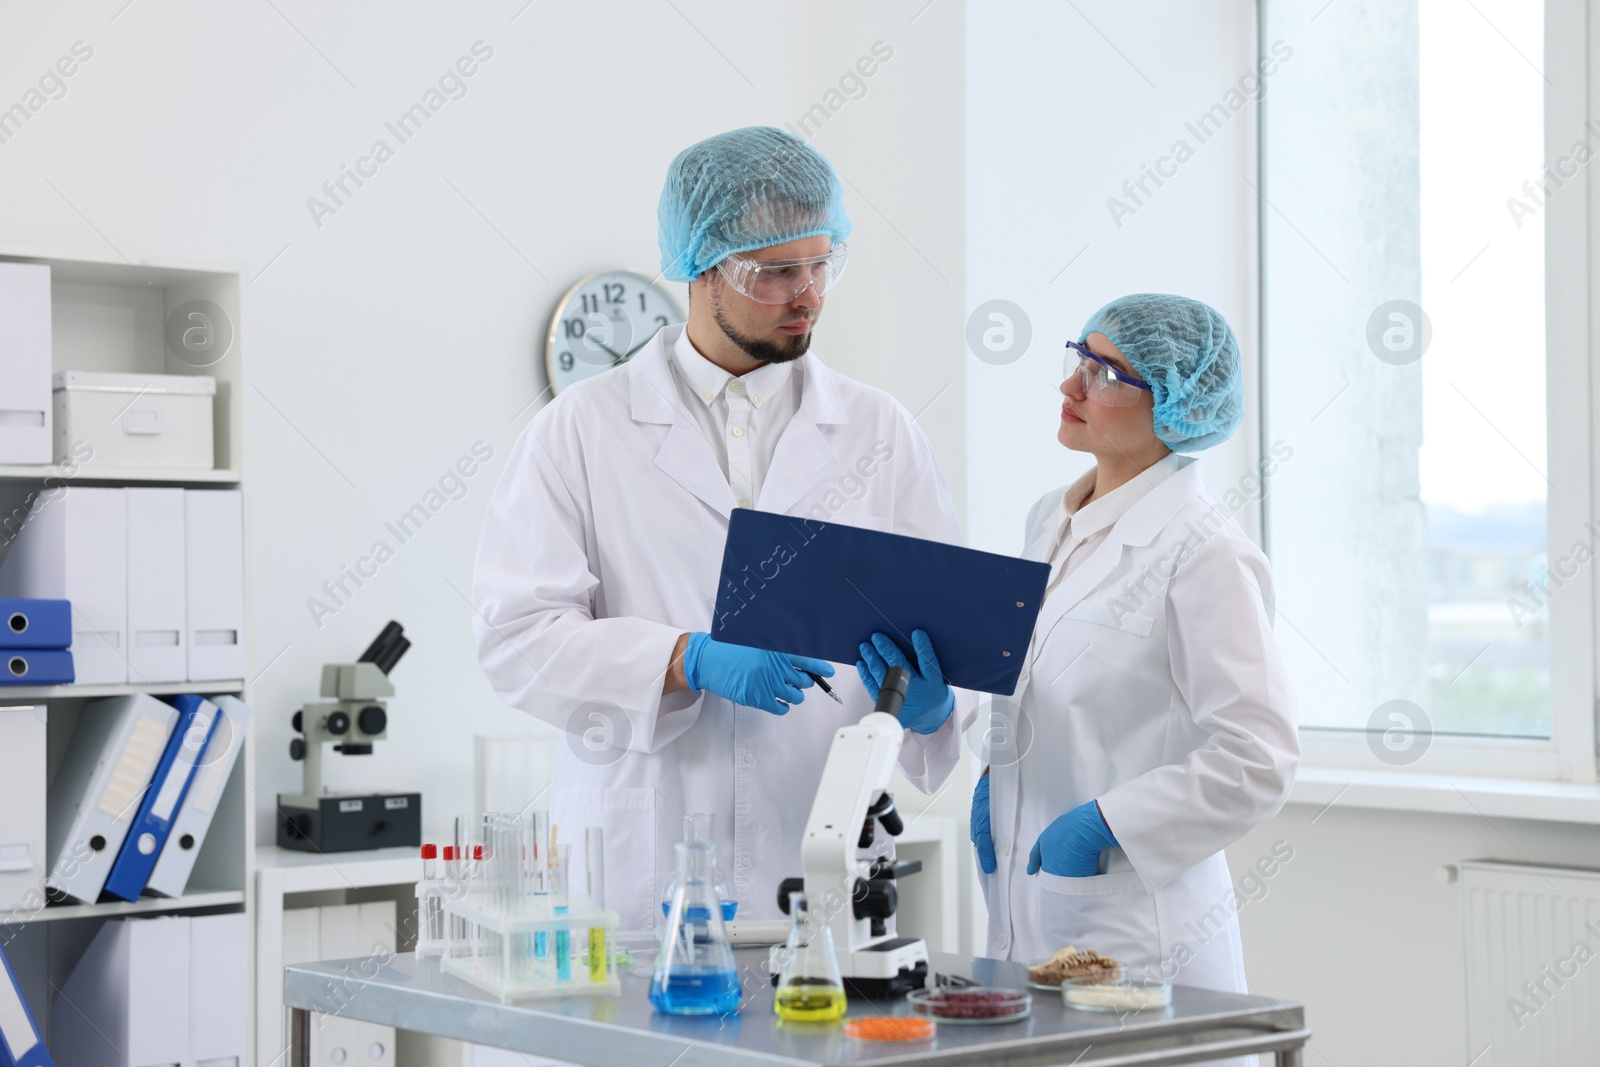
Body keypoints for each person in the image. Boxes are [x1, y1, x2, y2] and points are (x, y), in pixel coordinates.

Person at [472, 126, 969, 930]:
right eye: (777, 271)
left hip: (823, 853)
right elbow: (516, 637)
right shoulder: (581, 430)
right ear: (702, 265)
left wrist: (936, 707)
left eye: (822, 263)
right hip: (645, 865)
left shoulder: (881, 433)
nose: (808, 292)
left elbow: (939, 627)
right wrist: (683, 658)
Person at [966, 294, 1299, 1015]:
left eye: (1105, 373)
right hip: (1029, 912)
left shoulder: (1205, 551)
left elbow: (1258, 757)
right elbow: (1035, 688)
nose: (1071, 386)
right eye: (1076, 359)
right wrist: (989, 767)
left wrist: (1110, 824)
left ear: (1176, 406)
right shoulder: (1048, 518)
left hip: (1139, 933)